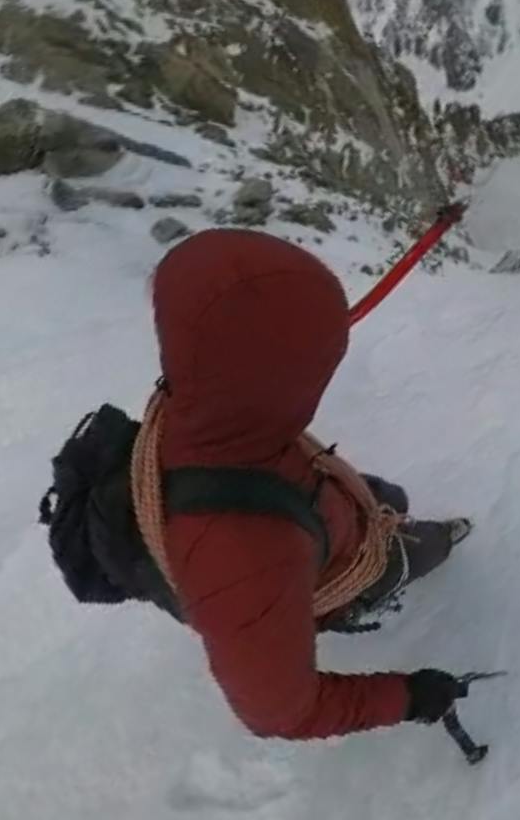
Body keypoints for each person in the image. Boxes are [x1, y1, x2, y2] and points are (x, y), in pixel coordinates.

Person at [96, 228, 473, 738]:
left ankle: (393, 533)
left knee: (389, 499)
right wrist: (409, 697)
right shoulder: (245, 559)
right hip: (318, 550)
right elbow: (282, 712)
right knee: (410, 549)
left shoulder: (200, 397)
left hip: (308, 500)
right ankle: (430, 550)